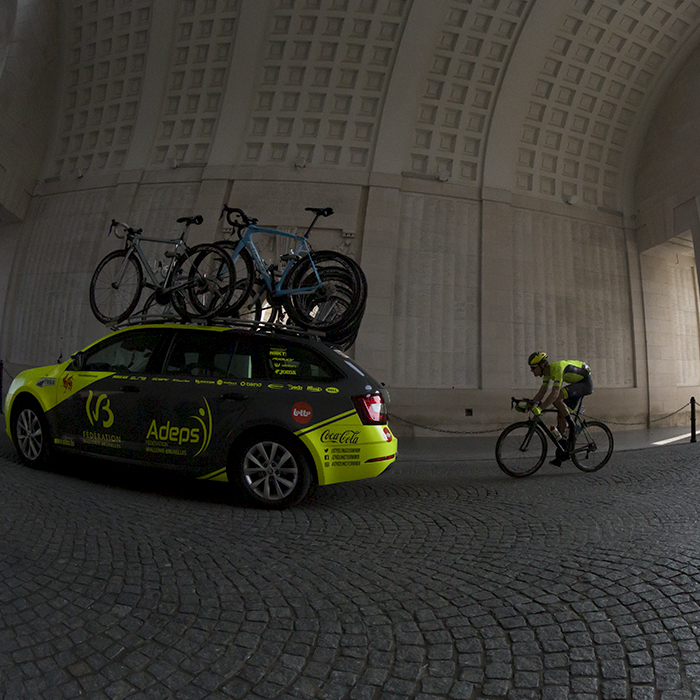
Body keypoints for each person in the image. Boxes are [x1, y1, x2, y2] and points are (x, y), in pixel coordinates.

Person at [526, 351, 593, 466]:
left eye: (533, 367)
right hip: (576, 385)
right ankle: (564, 452)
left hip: (585, 383)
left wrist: (540, 408)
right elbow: (542, 392)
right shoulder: (547, 373)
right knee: (560, 417)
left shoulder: (557, 368)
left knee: (557, 398)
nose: (531, 370)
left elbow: (555, 393)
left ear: (542, 365)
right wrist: (531, 403)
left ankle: (573, 426)